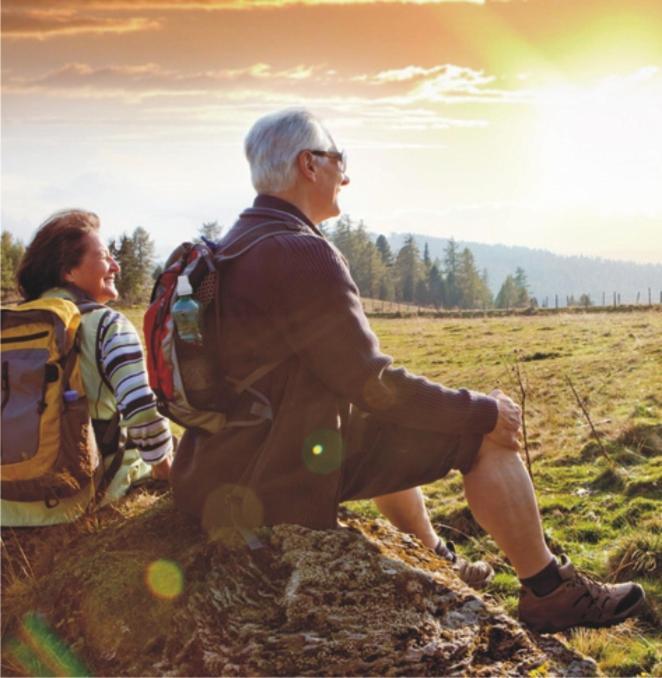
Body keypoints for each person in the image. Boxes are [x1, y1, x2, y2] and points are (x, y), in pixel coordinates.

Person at [170, 109, 645, 631]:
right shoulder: (301, 253)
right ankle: (550, 590)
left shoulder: (234, 244)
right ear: (308, 165)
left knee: (386, 425)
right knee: (483, 437)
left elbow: (345, 383)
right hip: (271, 480)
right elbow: (372, 385)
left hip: (218, 467)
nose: (344, 176)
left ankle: (436, 555)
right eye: (338, 160)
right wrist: (482, 410)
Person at [1, 209, 174, 526]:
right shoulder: (110, 324)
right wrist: (167, 472)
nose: (116, 266)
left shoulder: (10, 325)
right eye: (105, 257)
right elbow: (141, 414)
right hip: (77, 498)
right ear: (68, 271)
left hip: (6, 504)